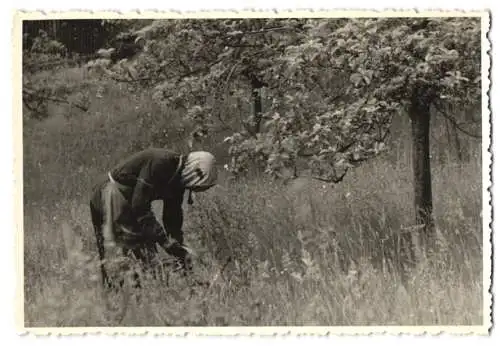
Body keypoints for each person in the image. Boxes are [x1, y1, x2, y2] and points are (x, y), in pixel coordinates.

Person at [89, 148, 217, 289]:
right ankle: (119, 295)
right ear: (195, 172)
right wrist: (165, 241)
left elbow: (172, 218)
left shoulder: (178, 181)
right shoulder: (161, 163)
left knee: (147, 255)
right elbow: (140, 207)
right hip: (110, 192)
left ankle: (142, 294)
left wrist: (179, 248)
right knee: (129, 249)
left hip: (125, 199)